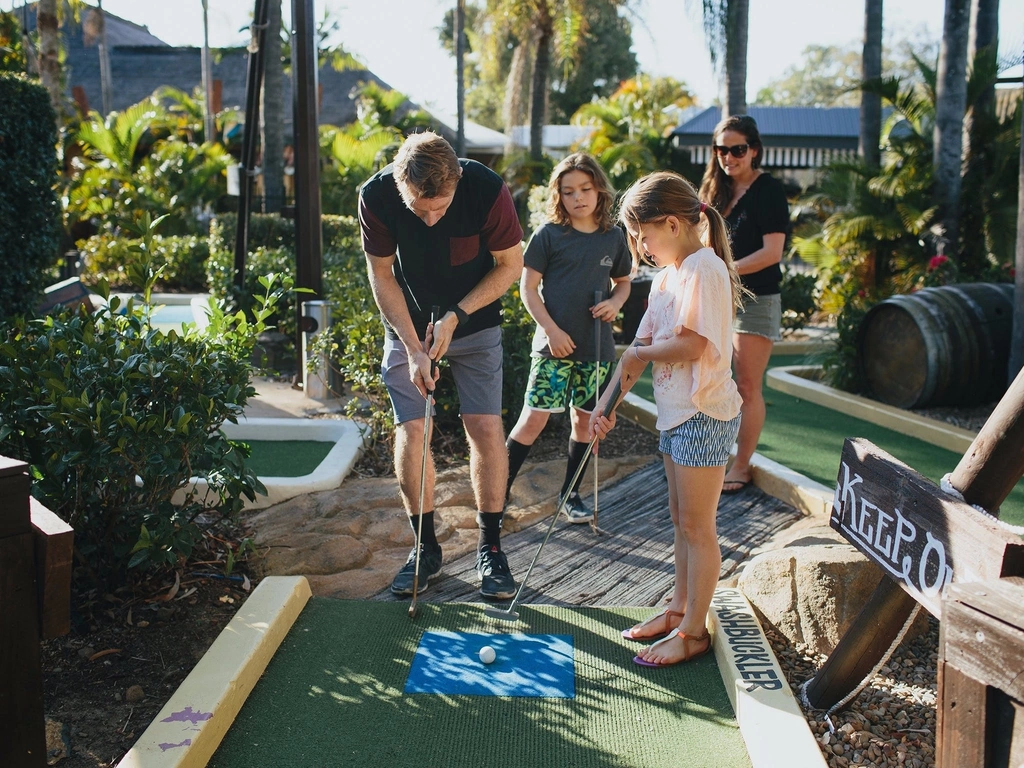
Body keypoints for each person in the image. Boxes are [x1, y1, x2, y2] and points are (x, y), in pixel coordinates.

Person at [358, 132, 524, 600]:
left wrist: (457, 315)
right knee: (414, 430)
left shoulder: (487, 190)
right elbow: (381, 274)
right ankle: (424, 547)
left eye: (441, 207)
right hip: (407, 328)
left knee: (485, 427)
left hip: (474, 321)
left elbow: (510, 265)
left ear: (457, 181)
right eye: (419, 208)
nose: (430, 218)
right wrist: (412, 347)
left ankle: (490, 546)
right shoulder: (375, 196)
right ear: (399, 185)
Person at [590, 171, 744, 667]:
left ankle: (695, 632)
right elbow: (636, 348)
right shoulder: (668, 277)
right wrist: (605, 405)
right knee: (682, 521)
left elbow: (693, 344)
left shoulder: (704, 268)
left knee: (699, 527)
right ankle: (678, 610)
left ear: (673, 224)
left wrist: (638, 355)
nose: (640, 246)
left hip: (704, 414)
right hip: (676, 415)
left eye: (642, 234)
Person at [505, 152, 632, 522]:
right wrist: (552, 330)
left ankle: (569, 494)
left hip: (596, 349)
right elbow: (528, 289)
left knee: (585, 421)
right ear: (558, 196)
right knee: (533, 419)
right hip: (552, 349)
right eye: (568, 191)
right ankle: (498, 495)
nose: (578, 197)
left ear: (599, 190)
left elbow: (623, 283)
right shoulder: (549, 236)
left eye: (585, 189)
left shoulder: (614, 238)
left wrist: (615, 303)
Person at [698, 114, 789, 495]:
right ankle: (709, 454)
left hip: (755, 298)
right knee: (709, 379)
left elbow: (772, 252)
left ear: (753, 150)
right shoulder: (714, 191)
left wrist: (725, 270)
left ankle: (742, 464)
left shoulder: (768, 190)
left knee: (747, 387)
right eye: (721, 149)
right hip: (715, 297)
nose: (728, 157)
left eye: (737, 149)